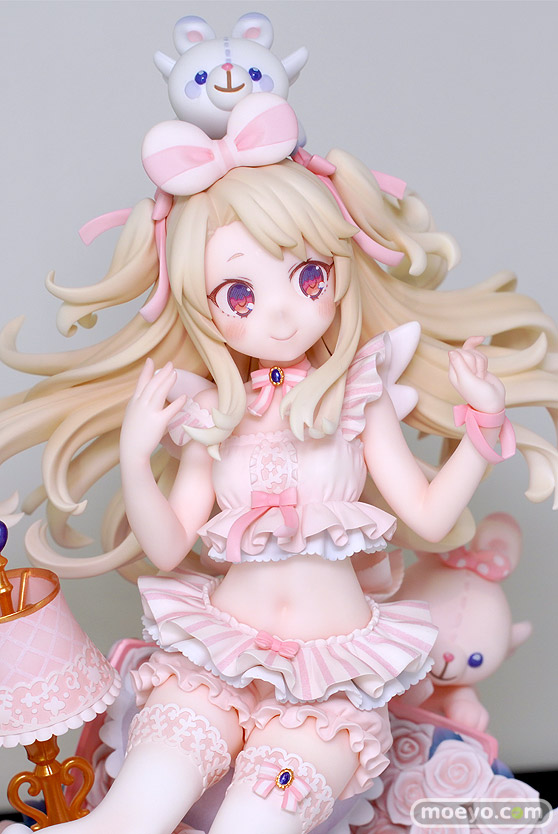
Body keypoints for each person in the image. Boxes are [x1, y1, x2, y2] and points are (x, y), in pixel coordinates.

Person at [1, 100, 557, 834]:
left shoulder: (358, 395)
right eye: (240, 293)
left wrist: (481, 426)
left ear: (338, 272)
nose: (283, 314)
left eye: (308, 277)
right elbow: (167, 548)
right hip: (213, 664)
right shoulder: (212, 412)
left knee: (257, 822)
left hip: (327, 692)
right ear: (203, 308)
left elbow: (427, 517)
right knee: (134, 811)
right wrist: (136, 454)